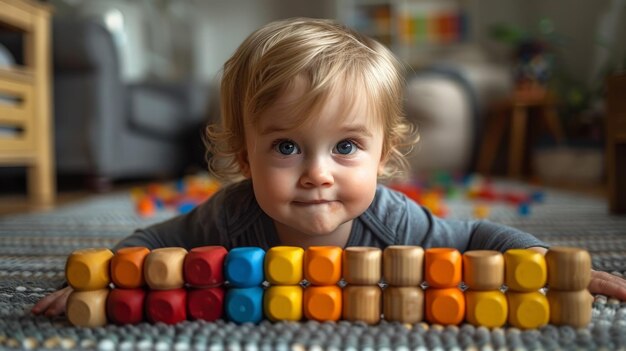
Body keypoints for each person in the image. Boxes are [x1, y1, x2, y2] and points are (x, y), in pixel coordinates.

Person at [33, 17, 626, 317]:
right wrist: (104, 275)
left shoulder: (396, 223)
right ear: (245, 158)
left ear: (384, 156)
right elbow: (158, 238)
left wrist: (544, 262)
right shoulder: (232, 216)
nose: (317, 173)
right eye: (287, 147)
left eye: (345, 147)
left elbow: (474, 235)